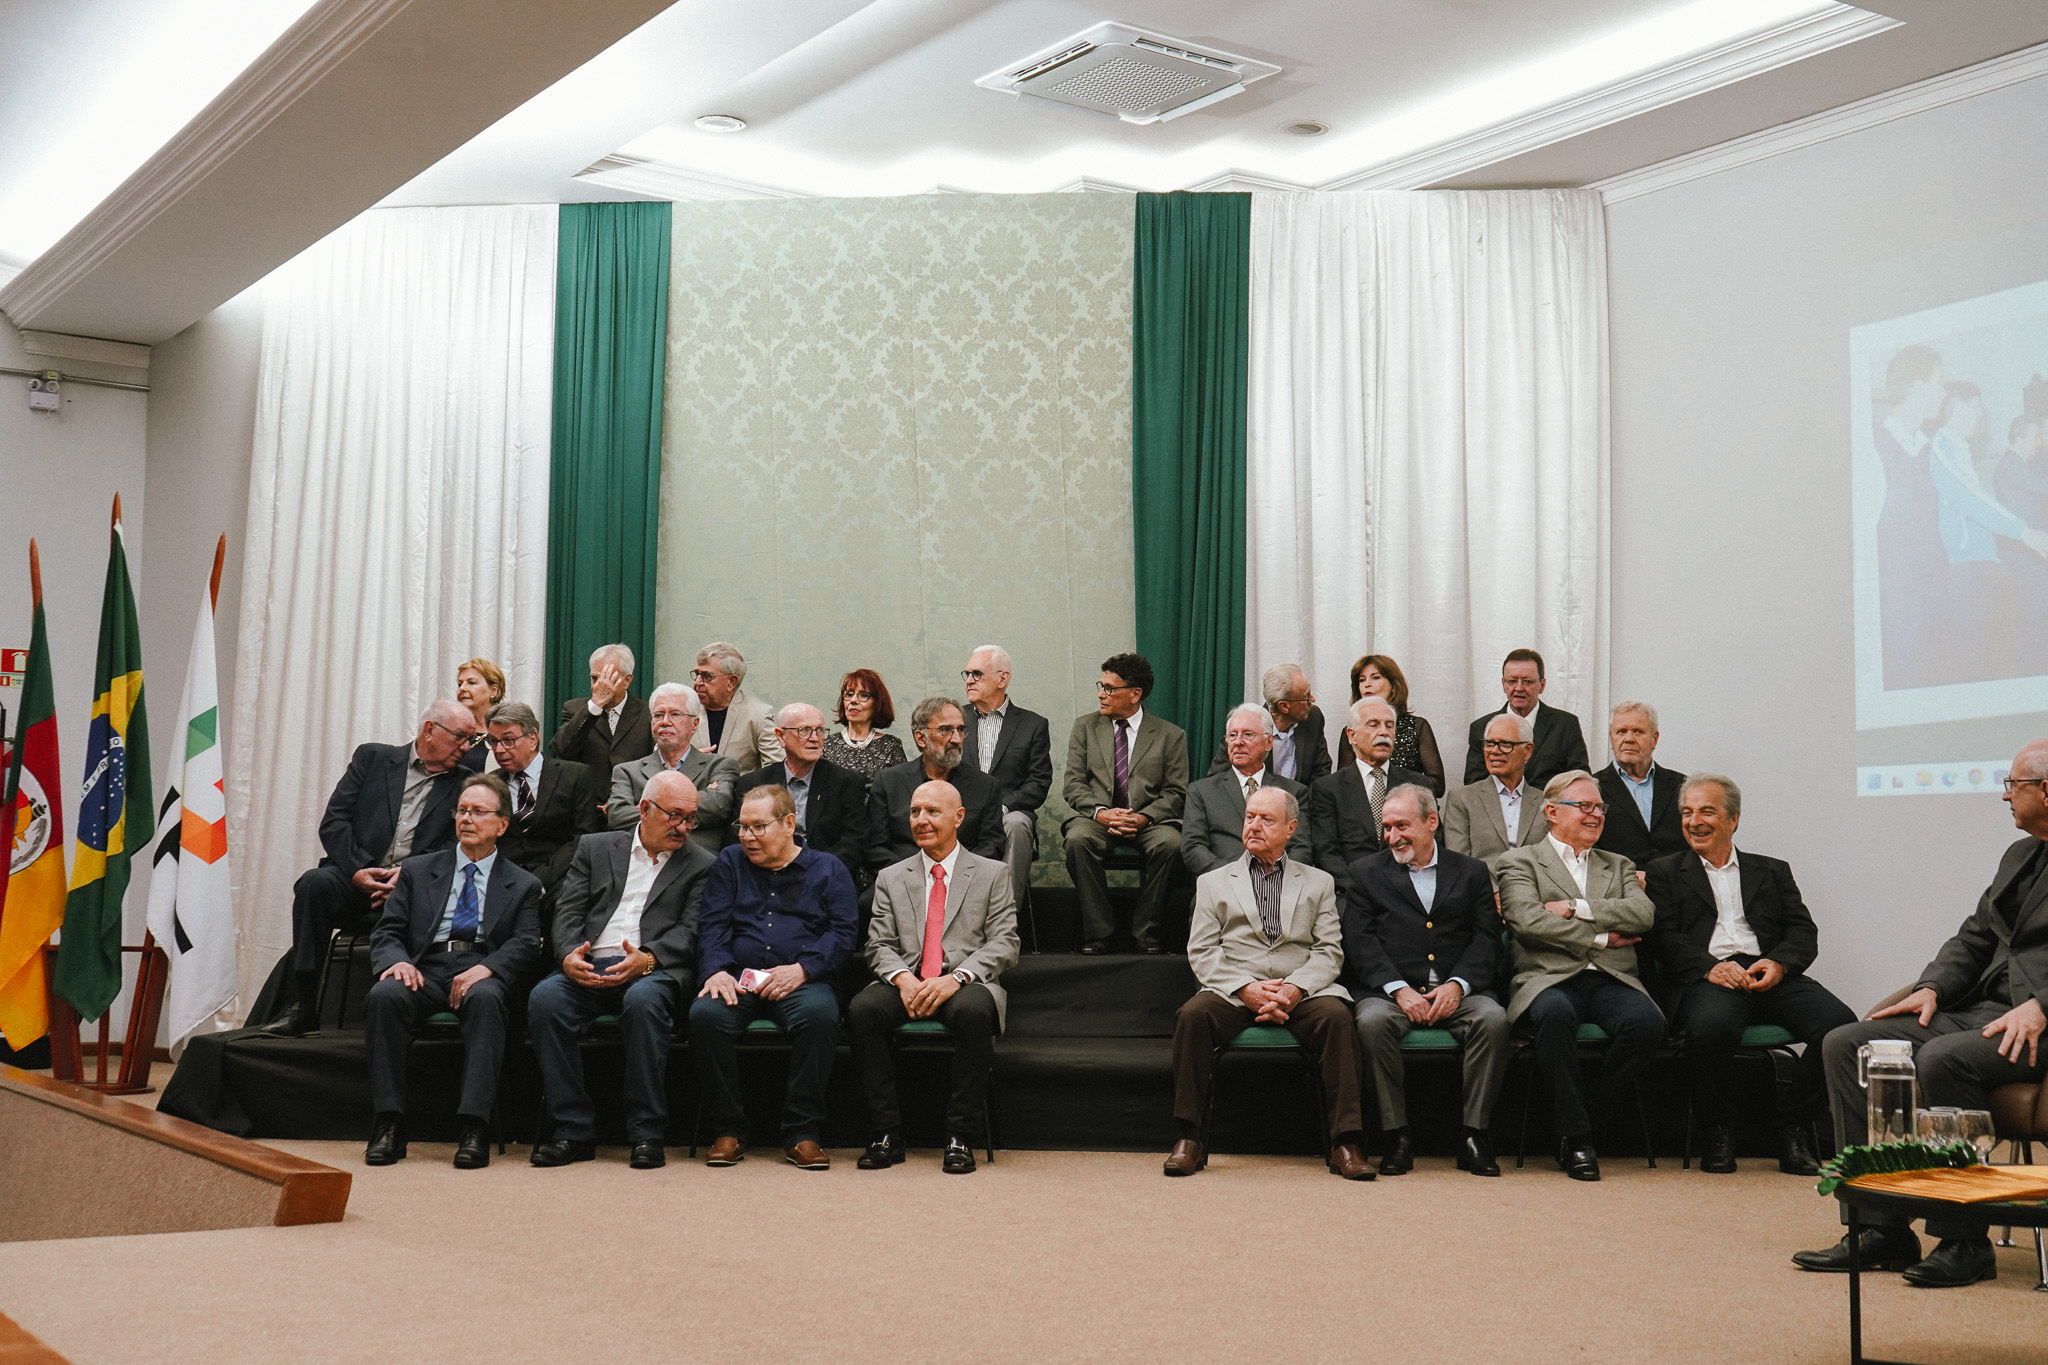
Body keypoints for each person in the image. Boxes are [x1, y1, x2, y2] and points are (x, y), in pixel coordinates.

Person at [1793, 739, 2048, 1289]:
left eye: (2013, 784)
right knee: (1848, 1044)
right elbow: (1974, 937)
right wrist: (1932, 987)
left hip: (2039, 1026)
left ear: (2046, 791)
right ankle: (1878, 1226)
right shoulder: (2021, 855)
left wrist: (2041, 1005)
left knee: (1943, 1059)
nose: (2005, 795)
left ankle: (1964, 1240)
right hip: (1982, 1011)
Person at [1645, 774, 1851, 1177]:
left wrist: (1779, 964)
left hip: (1767, 970)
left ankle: (1792, 1127)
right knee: (1710, 1030)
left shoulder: (1772, 870)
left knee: (1840, 1028)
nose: (1694, 821)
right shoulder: (1664, 872)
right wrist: (1710, 967)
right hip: (1710, 976)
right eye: (1687, 812)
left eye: (1707, 811)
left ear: (1733, 819)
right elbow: (1662, 937)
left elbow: (1802, 931)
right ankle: (1718, 1130)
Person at [1163, 786, 1371, 1180]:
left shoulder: (1319, 882)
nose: (1254, 825)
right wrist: (1246, 989)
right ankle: (1189, 1138)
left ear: (1291, 828)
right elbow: (1203, 952)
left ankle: (1345, 1142)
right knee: (1192, 1016)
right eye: (1250, 817)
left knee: (1338, 1018)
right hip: (1234, 989)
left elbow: (1329, 951)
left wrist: (1294, 989)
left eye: (1266, 819)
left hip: (1302, 989)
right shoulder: (1213, 882)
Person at [528, 770, 714, 1170]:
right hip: (590, 962)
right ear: (644, 809)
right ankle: (572, 1130)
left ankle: (647, 1132)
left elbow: (692, 930)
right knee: (545, 999)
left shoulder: (701, 863)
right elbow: (569, 910)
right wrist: (568, 955)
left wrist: (648, 958)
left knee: (644, 1002)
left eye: (690, 818)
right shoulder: (595, 848)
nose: (684, 827)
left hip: (653, 969)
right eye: (675, 815)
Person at [262, 701, 478, 1038]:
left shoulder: (465, 783)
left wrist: (410, 874)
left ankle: (403, 1009)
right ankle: (303, 1005)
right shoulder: (373, 759)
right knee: (314, 884)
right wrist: (359, 870)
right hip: (356, 876)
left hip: (415, 888)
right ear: (430, 730)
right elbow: (335, 822)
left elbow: (458, 844)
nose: (466, 748)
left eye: (471, 741)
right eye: (460, 737)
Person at [362, 773, 542, 1168]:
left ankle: (474, 1126)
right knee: (385, 995)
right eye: (462, 810)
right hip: (424, 968)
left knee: (488, 999)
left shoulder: (523, 884)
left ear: (502, 824)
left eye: (478, 812)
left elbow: (527, 942)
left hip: (480, 970)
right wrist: (397, 961)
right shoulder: (417, 869)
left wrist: (489, 968)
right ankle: (388, 1123)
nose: (466, 818)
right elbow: (388, 930)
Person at [1496, 770, 1663, 1181]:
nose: (1595, 814)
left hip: (1611, 979)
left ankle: (1579, 1123)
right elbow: (1528, 922)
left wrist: (1576, 907)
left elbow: (1643, 914)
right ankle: (1580, 1141)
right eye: (1584, 805)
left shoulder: (1618, 865)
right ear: (1552, 812)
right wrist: (1603, 937)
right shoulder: (1519, 862)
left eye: (1599, 807)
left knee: (1648, 1024)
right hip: (1547, 977)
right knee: (1555, 1015)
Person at [850, 781, 1020, 1174]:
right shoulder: (892, 876)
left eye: (932, 811)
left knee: (975, 1012)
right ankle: (886, 1134)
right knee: (862, 1010)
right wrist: (903, 979)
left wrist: (957, 977)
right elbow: (878, 944)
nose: (921, 820)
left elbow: (1005, 942)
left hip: (965, 981)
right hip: (907, 979)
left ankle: (960, 1135)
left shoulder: (993, 873)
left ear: (959, 817)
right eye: (914, 812)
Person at [689, 786, 858, 1170]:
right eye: (742, 827)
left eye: (758, 827)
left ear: (789, 824)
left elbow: (843, 932)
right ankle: (728, 1130)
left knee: (819, 1016)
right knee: (705, 1016)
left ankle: (802, 1133)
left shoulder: (829, 869)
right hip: (739, 976)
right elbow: (712, 924)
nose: (747, 837)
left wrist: (804, 969)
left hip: (803, 978)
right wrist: (716, 970)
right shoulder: (730, 862)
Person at [1343, 784, 1508, 1177]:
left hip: (1458, 990)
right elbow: (1359, 941)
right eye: (1387, 827)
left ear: (1431, 821)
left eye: (1402, 825)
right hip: (1391, 993)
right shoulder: (1365, 873)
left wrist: (1458, 985)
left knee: (1493, 1020)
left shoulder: (1471, 872)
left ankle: (1474, 1135)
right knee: (1371, 1022)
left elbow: (1487, 938)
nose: (1392, 836)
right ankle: (1395, 1135)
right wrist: (1398, 989)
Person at [1062, 653, 1189, 955]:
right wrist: (1101, 813)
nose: (1101, 694)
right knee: (1077, 840)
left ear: (1135, 694)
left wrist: (1144, 817)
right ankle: (1098, 933)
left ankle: (1147, 932)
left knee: (1171, 844)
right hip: (1097, 819)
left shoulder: (1170, 735)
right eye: (1101, 686)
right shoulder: (1085, 727)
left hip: (1149, 822)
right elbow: (1073, 784)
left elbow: (1176, 791)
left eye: (1109, 688)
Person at [957, 645, 1053, 917]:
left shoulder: (1033, 725)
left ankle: (1003, 922)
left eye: (977, 674)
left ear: (1002, 679)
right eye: (967, 674)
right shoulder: (954, 720)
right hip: (961, 814)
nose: (969, 680)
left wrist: (1002, 807)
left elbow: (1038, 783)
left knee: (1018, 824)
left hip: (1007, 814)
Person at [867, 698, 1005, 875]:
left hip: (964, 881)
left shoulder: (985, 786)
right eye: (945, 730)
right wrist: (917, 876)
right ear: (921, 738)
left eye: (960, 730)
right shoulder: (888, 782)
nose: (956, 739)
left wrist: (949, 874)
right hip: (902, 880)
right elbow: (875, 848)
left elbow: (992, 846)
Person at [733, 702, 869, 877]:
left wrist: (814, 870)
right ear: (780, 736)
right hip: (764, 877)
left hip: (823, 877)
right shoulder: (753, 784)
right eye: (804, 730)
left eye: (819, 731)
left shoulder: (846, 783)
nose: (815, 738)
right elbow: (738, 839)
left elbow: (854, 842)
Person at [484, 701, 604, 898]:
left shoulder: (575, 776)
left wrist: (538, 880)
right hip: (503, 883)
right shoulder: (490, 784)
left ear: (532, 739)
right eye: (494, 741)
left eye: (508, 740)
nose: (499, 749)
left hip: (559, 883)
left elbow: (582, 838)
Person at [1308, 696, 1425, 895]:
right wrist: (1361, 889)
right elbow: (1326, 851)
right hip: (1352, 893)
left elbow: (1429, 843)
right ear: (1351, 735)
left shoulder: (1417, 785)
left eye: (1389, 725)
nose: (1384, 732)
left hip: (1409, 891)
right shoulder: (1328, 789)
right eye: (1374, 725)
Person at [1182, 704, 1311, 878]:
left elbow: (1301, 848)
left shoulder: (1293, 792)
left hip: (1279, 885)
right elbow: (1193, 848)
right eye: (1232, 735)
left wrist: (1274, 877)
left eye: (1248, 734)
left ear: (1268, 742)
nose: (1238, 742)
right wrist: (1236, 877)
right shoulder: (1201, 791)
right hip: (1223, 885)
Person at [608, 683, 738, 850]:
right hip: (647, 856)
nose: (665, 722)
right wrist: (695, 801)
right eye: (658, 715)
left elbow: (719, 805)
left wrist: (650, 808)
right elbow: (617, 816)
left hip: (698, 859)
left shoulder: (718, 766)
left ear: (694, 724)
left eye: (675, 714)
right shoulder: (627, 772)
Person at [1462, 649, 1589, 787]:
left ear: (1542, 685)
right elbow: (1473, 786)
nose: (1519, 688)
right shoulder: (1481, 728)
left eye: (1527, 681)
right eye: (1512, 681)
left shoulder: (1565, 725)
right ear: (1504, 684)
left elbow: (1580, 781)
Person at [1441, 712, 1548, 866]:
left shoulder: (1546, 802)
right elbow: (1459, 862)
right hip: (1482, 881)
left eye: (1505, 744)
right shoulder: (1462, 799)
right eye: (1489, 744)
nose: (1495, 751)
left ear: (1527, 750)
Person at [1593, 702, 1685, 870]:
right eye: (1621, 731)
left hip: (1676, 881)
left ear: (1654, 739)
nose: (1629, 739)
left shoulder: (1682, 786)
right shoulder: (1593, 788)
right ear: (1611, 739)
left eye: (1638, 731)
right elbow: (1589, 846)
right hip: (1618, 881)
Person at [1206, 664, 1332, 786]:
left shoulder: (1313, 718)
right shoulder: (1244, 732)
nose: (1312, 699)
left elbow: (1321, 772)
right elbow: (1216, 783)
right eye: (1306, 697)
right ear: (1284, 706)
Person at [1336, 655, 1443, 795]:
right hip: (1363, 806)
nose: (1367, 684)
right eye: (1362, 680)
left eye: (1375, 678)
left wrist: (1390, 788)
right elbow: (1343, 784)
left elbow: (1437, 785)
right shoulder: (1352, 730)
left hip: (1410, 805)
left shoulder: (1417, 726)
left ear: (1393, 686)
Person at [551, 643, 654, 773]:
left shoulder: (648, 713)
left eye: (607, 679)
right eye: (595, 678)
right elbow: (562, 749)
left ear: (627, 681)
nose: (598, 686)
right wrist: (595, 705)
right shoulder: (575, 709)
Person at [691, 641, 782, 774]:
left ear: (731, 682)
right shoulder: (684, 711)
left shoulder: (758, 715)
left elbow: (775, 771)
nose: (697, 682)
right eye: (696, 674)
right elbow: (665, 761)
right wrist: (689, 762)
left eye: (706, 676)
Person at [822, 668, 907, 784]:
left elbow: (901, 789)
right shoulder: (827, 744)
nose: (853, 700)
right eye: (849, 694)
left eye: (863, 695)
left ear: (877, 703)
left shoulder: (891, 746)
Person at [453, 657, 505, 772]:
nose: (462, 688)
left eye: (471, 683)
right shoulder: (450, 730)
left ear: (494, 690)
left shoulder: (505, 733)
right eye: (460, 684)